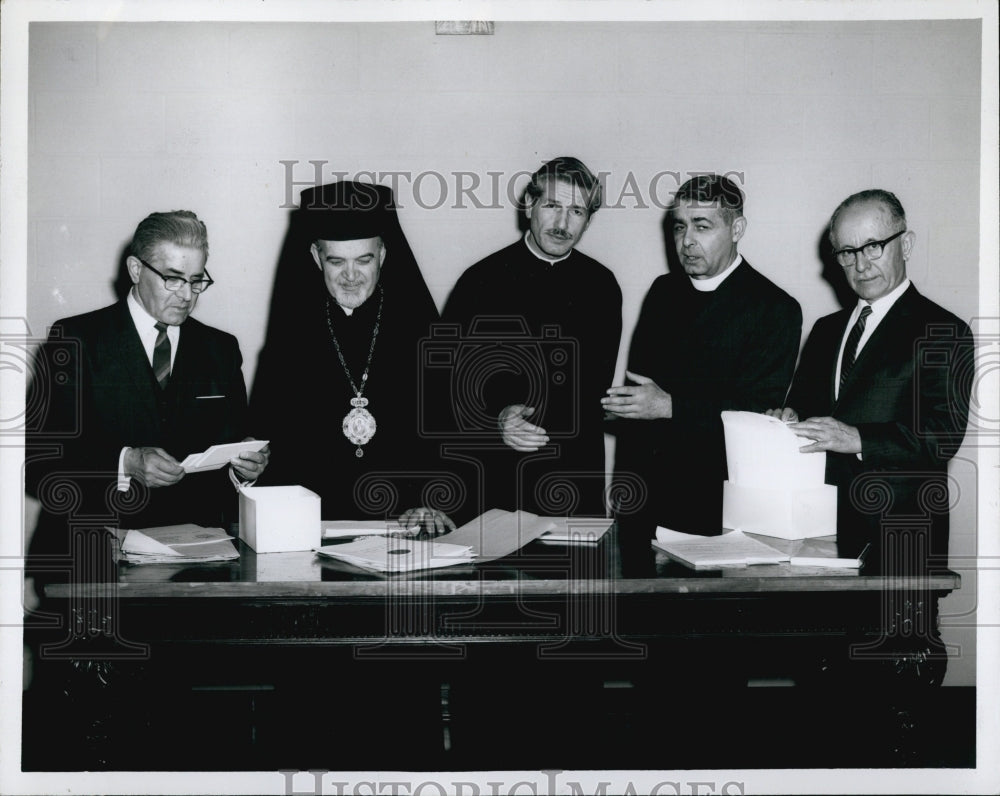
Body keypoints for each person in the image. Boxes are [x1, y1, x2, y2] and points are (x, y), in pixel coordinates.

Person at [26, 210, 269, 581]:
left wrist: (246, 469)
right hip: (89, 562)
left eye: (196, 281)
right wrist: (126, 463)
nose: (187, 296)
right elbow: (36, 461)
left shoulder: (220, 348)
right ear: (136, 270)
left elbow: (235, 443)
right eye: (172, 279)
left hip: (199, 567)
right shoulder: (75, 340)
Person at [770, 189, 973, 576]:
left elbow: (942, 435)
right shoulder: (825, 330)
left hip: (901, 538)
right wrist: (789, 416)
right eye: (847, 252)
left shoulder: (943, 329)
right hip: (818, 533)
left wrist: (858, 439)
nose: (860, 264)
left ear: (906, 244)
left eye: (873, 246)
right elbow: (806, 409)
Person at [604, 174, 802, 543]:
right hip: (643, 504)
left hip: (716, 509)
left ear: (737, 228)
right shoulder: (663, 291)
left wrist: (671, 407)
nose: (687, 241)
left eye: (702, 226)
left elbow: (757, 415)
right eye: (680, 227)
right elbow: (639, 402)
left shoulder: (774, 308)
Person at [250, 180, 455, 533]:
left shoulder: (421, 332)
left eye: (364, 260)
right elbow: (268, 445)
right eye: (336, 261)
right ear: (316, 257)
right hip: (313, 526)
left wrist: (431, 501)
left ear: (383, 256)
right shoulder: (289, 340)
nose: (350, 276)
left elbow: (448, 434)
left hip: (404, 524)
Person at [441, 156, 622, 517]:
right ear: (529, 205)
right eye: (552, 206)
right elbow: (443, 384)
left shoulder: (601, 286)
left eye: (577, 211)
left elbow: (590, 387)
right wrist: (496, 418)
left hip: (573, 480)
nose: (562, 223)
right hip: (494, 479)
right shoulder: (480, 281)